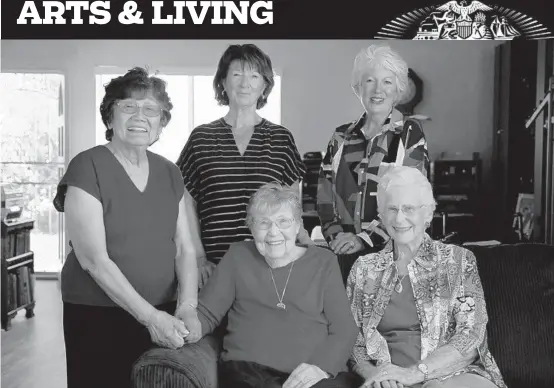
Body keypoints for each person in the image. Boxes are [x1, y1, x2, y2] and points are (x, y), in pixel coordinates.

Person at [53, 67, 202, 388]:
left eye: (151, 110)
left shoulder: (170, 172)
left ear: (161, 124)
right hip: (98, 313)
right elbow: (93, 259)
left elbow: (185, 248)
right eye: (128, 107)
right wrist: (150, 317)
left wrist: (187, 306)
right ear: (109, 118)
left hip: (164, 311)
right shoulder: (87, 165)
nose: (140, 116)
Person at [345, 166, 506, 388]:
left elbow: (470, 336)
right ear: (381, 216)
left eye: (409, 208)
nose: (399, 218)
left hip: (453, 375)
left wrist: (415, 374)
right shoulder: (364, 269)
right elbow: (352, 342)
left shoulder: (457, 261)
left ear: (428, 213)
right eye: (392, 209)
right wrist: (376, 375)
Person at [192, 182, 360, 388]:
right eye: (263, 223)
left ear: (298, 225)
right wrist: (179, 328)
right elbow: (207, 313)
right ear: (251, 227)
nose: (273, 232)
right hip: (249, 372)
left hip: (315, 374)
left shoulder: (324, 262)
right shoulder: (238, 256)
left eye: (283, 222)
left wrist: (320, 367)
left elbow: (345, 329)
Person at [176, 44, 311, 287]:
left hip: (271, 264)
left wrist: (304, 245)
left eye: (254, 75)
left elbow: (291, 206)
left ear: (264, 86)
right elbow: (186, 203)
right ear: (223, 83)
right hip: (215, 268)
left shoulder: (280, 138)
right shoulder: (201, 137)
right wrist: (197, 257)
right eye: (237, 74)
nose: (245, 83)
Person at [317, 44, 430, 283]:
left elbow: (408, 203)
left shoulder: (410, 134)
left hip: (391, 259)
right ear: (358, 86)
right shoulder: (340, 137)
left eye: (387, 82)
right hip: (343, 257)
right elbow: (325, 196)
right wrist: (336, 237)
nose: (378, 90)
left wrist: (364, 239)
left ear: (398, 88)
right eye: (370, 80)